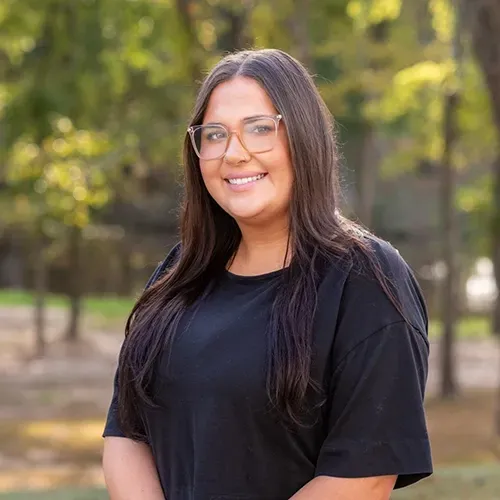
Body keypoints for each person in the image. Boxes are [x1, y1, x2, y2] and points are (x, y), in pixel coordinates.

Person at [102, 48, 433, 500]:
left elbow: (363, 476)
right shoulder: (180, 274)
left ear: (303, 137)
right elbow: (127, 430)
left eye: (259, 129)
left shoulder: (367, 281)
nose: (233, 154)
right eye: (214, 135)